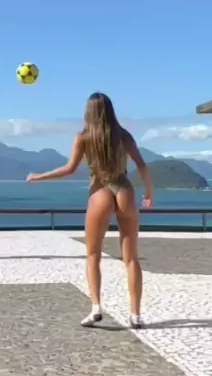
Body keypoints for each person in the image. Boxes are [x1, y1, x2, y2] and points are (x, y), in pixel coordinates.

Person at [26, 92, 153, 328]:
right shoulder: (124, 135)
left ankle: (96, 307)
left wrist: (39, 176)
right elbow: (141, 165)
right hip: (125, 191)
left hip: (100, 192)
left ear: (88, 112)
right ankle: (135, 315)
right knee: (131, 258)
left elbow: (69, 169)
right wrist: (149, 193)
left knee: (93, 255)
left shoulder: (83, 137)